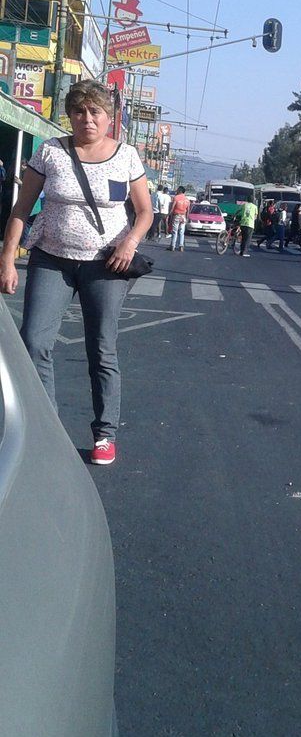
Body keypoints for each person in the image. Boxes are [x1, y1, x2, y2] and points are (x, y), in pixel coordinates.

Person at [0, 79, 153, 465]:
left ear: (109, 118)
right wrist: (6, 259)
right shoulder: (51, 152)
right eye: (79, 111)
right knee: (33, 341)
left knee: (101, 348)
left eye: (95, 112)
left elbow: (146, 211)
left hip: (106, 264)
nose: (87, 119)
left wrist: (130, 242)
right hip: (51, 258)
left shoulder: (127, 156)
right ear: (69, 115)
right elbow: (21, 208)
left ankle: (105, 433)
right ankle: (49, 429)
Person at [167, 186, 191, 251]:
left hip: (177, 216)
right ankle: (181, 246)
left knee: (175, 231)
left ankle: (172, 246)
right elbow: (188, 210)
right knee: (181, 232)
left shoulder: (176, 198)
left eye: (177, 190)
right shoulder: (187, 200)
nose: (176, 191)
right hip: (183, 217)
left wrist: (169, 215)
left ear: (180, 191)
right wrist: (187, 217)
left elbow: (172, 208)